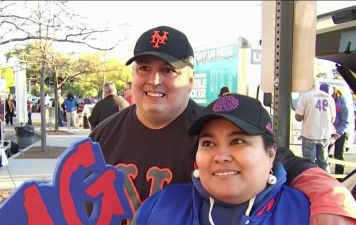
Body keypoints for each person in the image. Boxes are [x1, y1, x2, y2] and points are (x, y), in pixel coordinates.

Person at [90, 25, 356, 223]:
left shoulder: (213, 127)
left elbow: (291, 166)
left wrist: (332, 198)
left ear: (191, 80)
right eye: (144, 68)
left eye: (169, 70)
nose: (154, 80)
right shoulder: (103, 134)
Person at [132, 94, 311, 225]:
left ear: (271, 153)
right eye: (208, 143)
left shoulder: (308, 214)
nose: (221, 156)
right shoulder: (158, 209)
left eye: (238, 141)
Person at [295, 82, 336, 172]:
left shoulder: (306, 97)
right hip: (324, 135)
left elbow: (298, 117)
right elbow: (333, 118)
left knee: (309, 163)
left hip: (309, 134)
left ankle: (311, 181)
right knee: (323, 162)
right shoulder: (329, 98)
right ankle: (326, 182)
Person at [329, 86, 354, 177]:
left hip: (342, 131)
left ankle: (340, 178)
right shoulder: (327, 100)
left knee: (339, 155)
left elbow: (346, 121)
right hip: (331, 130)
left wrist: (337, 135)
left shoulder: (342, 101)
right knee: (324, 154)